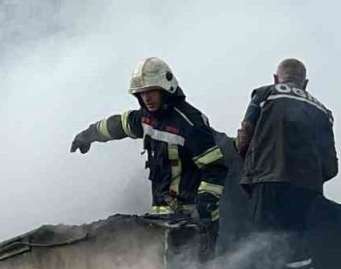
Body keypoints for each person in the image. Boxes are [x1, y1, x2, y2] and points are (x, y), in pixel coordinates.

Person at [69, 57, 227, 237]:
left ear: (165, 88)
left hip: (193, 220)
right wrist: (88, 135)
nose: (146, 98)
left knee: (188, 257)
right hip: (161, 217)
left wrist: (204, 207)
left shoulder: (190, 123)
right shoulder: (146, 118)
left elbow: (215, 169)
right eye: (141, 93)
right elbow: (119, 125)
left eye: (151, 91)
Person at [233, 58, 337, 269]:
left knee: (263, 243)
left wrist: (244, 154)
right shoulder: (322, 111)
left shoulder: (264, 94)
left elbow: (245, 134)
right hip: (306, 188)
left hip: (268, 182)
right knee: (295, 243)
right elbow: (330, 166)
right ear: (305, 83)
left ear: (275, 78)